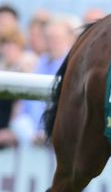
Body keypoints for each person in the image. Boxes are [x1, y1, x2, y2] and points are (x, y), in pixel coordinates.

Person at [11, 15, 78, 145]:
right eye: (48, 38)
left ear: (71, 39)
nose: (51, 42)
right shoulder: (38, 63)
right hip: (32, 140)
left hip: (61, 140)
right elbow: (23, 108)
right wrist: (30, 134)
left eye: (56, 38)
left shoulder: (75, 66)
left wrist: (49, 131)